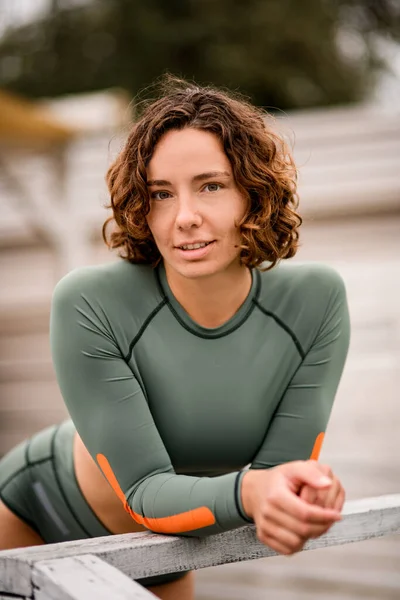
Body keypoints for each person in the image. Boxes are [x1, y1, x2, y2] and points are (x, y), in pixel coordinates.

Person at [0, 75, 350, 600]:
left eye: (211, 185)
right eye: (161, 194)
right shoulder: (89, 300)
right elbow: (144, 492)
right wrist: (258, 491)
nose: (185, 217)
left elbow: (278, 480)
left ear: (253, 194)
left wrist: (304, 493)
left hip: (166, 543)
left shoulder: (315, 302)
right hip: (34, 514)